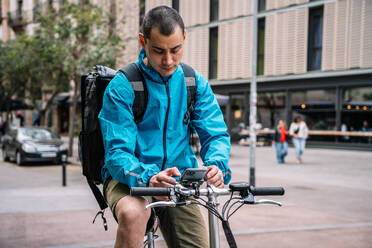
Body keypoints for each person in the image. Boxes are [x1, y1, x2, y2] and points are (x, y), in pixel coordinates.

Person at [98, 6, 231, 248]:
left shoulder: (194, 82)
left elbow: (216, 134)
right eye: (158, 51)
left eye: (175, 50)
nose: (168, 60)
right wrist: (148, 178)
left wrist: (217, 165)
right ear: (143, 41)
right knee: (133, 214)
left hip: (177, 181)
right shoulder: (123, 86)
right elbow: (117, 154)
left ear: (184, 38)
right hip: (128, 177)